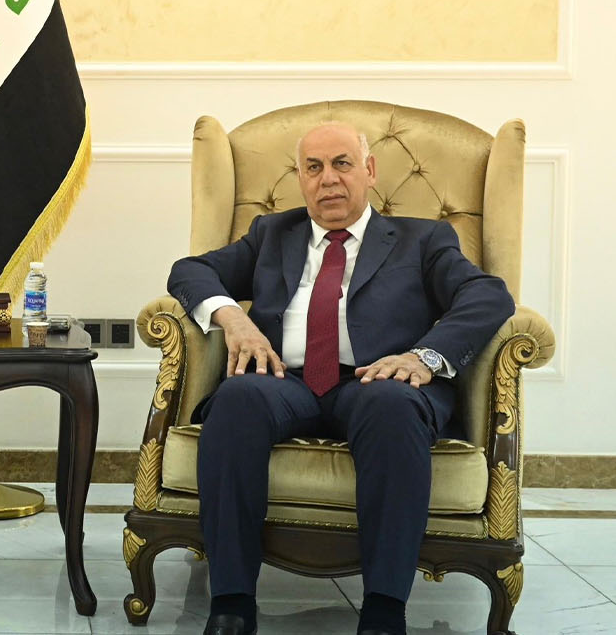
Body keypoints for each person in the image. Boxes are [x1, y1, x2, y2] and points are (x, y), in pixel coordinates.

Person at [167, 122, 514, 635]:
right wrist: (232, 318)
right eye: (313, 167)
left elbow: (488, 295)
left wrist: (425, 356)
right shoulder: (271, 234)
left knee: (392, 406)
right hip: (283, 379)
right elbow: (189, 270)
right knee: (237, 398)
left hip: (376, 382)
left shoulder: (422, 239)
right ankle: (232, 605)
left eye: (341, 164)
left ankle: (383, 613)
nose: (327, 178)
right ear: (301, 179)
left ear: (369, 171)